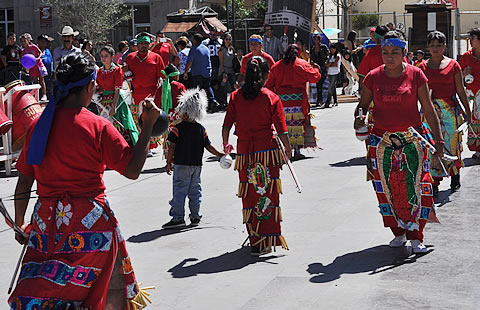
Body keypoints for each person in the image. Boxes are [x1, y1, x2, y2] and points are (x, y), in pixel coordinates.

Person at [8, 53, 159, 309]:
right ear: (89, 87)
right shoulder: (97, 126)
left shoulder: (39, 127)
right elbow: (133, 169)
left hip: (47, 224)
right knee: (112, 291)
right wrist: (147, 127)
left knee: (46, 290)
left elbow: (23, 183)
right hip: (92, 226)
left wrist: (20, 224)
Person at [353, 30, 443, 254]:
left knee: (417, 187)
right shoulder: (373, 76)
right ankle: (399, 232)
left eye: (394, 52)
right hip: (381, 142)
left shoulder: (415, 75)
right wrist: (359, 117)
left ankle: (416, 235)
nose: (389, 57)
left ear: (404, 52)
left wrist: (439, 140)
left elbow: (429, 109)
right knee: (387, 189)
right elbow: (363, 105)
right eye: (385, 52)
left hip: (413, 140)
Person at [223, 56, 291, 256]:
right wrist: (287, 150)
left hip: (245, 153)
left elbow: (227, 124)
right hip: (267, 153)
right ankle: (267, 239)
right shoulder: (271, 97)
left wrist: (226, 144)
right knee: (267, 194)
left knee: (250, 195)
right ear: (267, 75)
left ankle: (255, 239)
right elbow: (281, 129)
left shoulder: (235, 96)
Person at [418, 31, 471, 193]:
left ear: (445, 47)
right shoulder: (421, 67)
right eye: (432, 45)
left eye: (439, 45)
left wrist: (468, 112)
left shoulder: (453, 65)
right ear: (428, 47)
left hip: (450, 113)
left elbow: (461, 91)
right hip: (429, 113)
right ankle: (433, 183)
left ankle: (455, 175)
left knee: (452, 146)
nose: (435, 48)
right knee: (431, 147)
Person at [163, 88, 224, 228]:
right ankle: (195, 216)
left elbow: (171, 147)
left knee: (179, 191)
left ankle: (178, 218)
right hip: (197, 166)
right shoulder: (201, 129)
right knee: (195, 191)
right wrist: (219, 155)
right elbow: (208, 146)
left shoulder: (176, 128)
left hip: (181, 164)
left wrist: (168, 162)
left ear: (184, 112)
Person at [266, 44, 321, 156]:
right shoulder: (302, 64)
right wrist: (316, 68)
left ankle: (284, 148)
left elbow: (269, 85)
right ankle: (296, 150)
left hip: (281, 101)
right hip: (298, 101)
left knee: (283, 124)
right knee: (297, 124)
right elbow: (315, 77)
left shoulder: (276, 66)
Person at [124, 32, 166, 152]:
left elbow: (162, 75)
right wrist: (127, 74)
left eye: (146, 43)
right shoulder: (130, 57)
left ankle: (150, 146)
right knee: (137, 121)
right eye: (141, 43)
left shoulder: (156, 57)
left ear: (149, 45)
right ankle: (140, 144)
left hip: (151, 95)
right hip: (136, 94)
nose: (144, 46)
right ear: (137, 45)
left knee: (150, 121)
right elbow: (125, 72)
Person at [97, 45, 139, 146]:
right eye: (102, 56)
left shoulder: (117, 70)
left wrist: (114, 107)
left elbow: (117, 90)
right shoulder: (99, 71)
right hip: (103, 102)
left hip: (116, 102)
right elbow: (99, 88)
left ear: (112, 57)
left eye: (106, 56)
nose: (103, 58)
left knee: (120, 126)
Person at [153, 63, 186, 158]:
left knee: (169, 138)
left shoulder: (161, 88)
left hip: (166, 118)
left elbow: (156, 103)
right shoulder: (179, 86)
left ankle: (169, 157)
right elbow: (184, 102)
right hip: (178, 117)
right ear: (175, 75)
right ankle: (179, 156)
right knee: (179, 137)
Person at [183, 33, 219, 113]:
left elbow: (190, 62)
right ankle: (212, 100)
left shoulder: (193, 49)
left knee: (197, 89)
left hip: (197, 72)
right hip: (207, 71)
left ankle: (198, 106)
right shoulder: (206, 48)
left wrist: (186, 72)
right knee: (207, 87)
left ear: (195, 40)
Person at [459, 27, 480, 158]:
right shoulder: (467, 56)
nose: (470, 41)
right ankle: (478, 149)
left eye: (473, 38)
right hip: (473, 92)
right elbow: (457, 75)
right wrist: (464, 74)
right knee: (476, 119)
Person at [20, 33, 48, 101]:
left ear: (28, 40)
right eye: (22, 41)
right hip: (32, 67)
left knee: (42, 80)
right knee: (35, 81)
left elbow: (40, 52)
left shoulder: (33, 47)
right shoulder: (23, 51)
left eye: (25, 41)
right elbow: (23, 59)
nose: (23, 43)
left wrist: (38, 58)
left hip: (39, 65)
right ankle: (36, 96)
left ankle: (44, 94)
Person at [311, 33, 329, 106]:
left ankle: (322, 100)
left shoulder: (323, 47)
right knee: (318, 84)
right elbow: (312, 58)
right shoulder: (312, 48)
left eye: (317, 39)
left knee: (321, 83)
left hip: (323, 67)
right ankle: (319, 100)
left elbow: (328, 55)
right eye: (314, 39)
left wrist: (326, 63)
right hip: (316, 68)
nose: (316, 41)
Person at [218, 32, 237, 105]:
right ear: (224, 40)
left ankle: (234, 101)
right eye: (226, 39)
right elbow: (221, 62)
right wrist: (223, 73)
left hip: (231, 70)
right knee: (224, 87)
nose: (228, 40)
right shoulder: (221, 50)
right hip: (225, 70)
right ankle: (224, 103)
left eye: (229, 39)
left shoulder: (232, 49)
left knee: (234, 86)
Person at [37, 34, 54, 99]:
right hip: (40, 76)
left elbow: (51, 61)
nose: (44, 42)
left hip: (49, 75)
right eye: (42, 41)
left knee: (49, 92)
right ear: (38, 42)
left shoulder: (48, 51)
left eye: (45, 41)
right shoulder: (36, 51)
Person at [324, 44, 341, 108]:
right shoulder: (330, 56)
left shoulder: (338, 55)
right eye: (331, 49)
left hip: (335, 73)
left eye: (333, 49)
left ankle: (327, 102)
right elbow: (326, 64)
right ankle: (335, 101)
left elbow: (335, 64)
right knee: (333, 86)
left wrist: (329, 65)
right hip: (329, 73)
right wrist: (329, 64)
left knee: (330, 87)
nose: (332, 50)